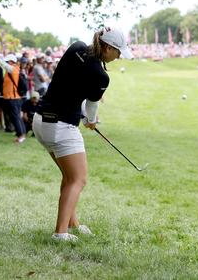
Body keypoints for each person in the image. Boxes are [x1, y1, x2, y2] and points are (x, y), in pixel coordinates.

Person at [33, 27, 132, 242]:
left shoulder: (76, 47)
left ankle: (72, 223)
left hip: (40, 121)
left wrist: (86, 117)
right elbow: (92, 108)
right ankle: (60, 233)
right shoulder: (101, 76)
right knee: (78, 179)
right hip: (61, 126)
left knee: (70, 177)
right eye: (118, 52)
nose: (119, 56)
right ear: (107, 48)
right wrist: (90, 121)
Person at [0, 54, 26, 143]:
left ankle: (21, 135)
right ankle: (21, 134)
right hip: (11, 98)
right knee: (16, 117)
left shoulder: (13, 69)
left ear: (11, 62)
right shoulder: (11, 70)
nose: (6, 63)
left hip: (13, 98)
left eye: (7, 61)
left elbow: (3, 64)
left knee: (15, 117)